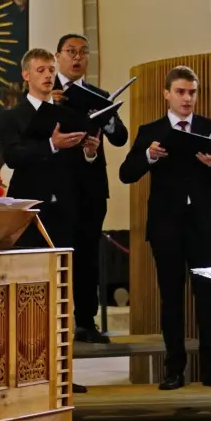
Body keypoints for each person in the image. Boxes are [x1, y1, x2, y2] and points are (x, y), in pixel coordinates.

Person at [118, 65, 211, 392]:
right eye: (181, 92)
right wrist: (149, 155)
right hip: (166, 226)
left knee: (210, 298)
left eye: (192, 92)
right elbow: (126, 173)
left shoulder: (210, 128)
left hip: (204, 225)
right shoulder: (151, 130)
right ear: (167, 95)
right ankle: (174, 369)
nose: (187, 98)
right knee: (171, 298)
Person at [56, 34, 129, 344]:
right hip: (57, 190)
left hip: (91, 188)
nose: (77, 58)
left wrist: (109, 119)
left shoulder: (98, 95)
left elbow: (121, 137)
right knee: (58, 259)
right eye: (71, 52)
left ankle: (86, 322)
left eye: (83, 52)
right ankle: (55, 325)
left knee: (87, 258)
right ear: (58, 56)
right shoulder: (46, 93)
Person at [0, 49, 95, 251]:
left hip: (66, 204)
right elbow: (12, 156)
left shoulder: (68, 114)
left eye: (51, 70)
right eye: (40, 70)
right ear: (26, 75)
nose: (48, 75)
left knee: (64, 271)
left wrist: (89, 152)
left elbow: (76, 162)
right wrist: (51, 145)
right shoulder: (12, 116)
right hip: (28, 205)